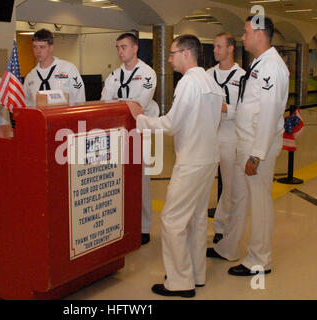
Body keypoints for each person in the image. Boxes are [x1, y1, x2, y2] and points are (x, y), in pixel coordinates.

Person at [127, 35, 224, 298]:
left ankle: (180, 282)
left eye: (171, 54)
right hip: (208, 159)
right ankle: (196, 273)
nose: (169, 60)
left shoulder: (189, 83)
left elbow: (171, 125)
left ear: (185, 53)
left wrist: (141, 119)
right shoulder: (212, 83)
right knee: (196, 219)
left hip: (191, 161)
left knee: (171, 220)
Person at [207, 16, 289, 277]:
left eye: (245, 32)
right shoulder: (259, 64)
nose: (242, 37)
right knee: (241, 197)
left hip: (256, 147)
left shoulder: (272, 67)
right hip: (245, 143)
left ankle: (259, 260)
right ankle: (229, 247)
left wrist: (257, 154)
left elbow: (269, 113)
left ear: (259, 33)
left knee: (260, 203)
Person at [101, 32, 159, 246]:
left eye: (123, 46)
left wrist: (119, 102)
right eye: (117, 47)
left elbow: (140, 105)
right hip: (119, 132)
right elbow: (104, 101)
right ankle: (123, 223)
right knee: (121, 178)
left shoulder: (147, 73)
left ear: (135, 48)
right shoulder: (114, 75)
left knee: (141, 178)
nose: (120, 51)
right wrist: (124, 103)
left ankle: (144, 227)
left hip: (140, 131)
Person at [206, 33, 246, 244]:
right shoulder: (207, 75)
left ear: (231, 48)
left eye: (219, 47)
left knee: (230, 186)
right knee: (202, 182)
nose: (215, 51)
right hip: (209, 134)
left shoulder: (242, 77)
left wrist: (226, 109)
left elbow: (246, 109)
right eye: (214, 47)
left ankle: (222, 226)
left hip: (231, 135)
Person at [23, 29, 86, 106]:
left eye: (42, 47)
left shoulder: (68, 69)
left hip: (65, 116)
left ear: (51, 48)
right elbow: (27, 104)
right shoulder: (30, 77)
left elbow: (80, 97)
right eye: (35, 47)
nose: (38, 51)